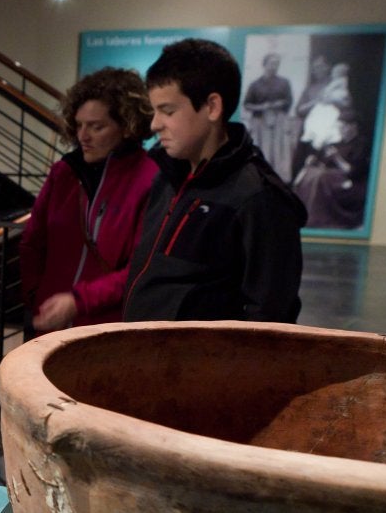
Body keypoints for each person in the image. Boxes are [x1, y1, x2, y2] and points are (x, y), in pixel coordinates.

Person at [124, 38, 306, 323]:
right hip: (144, 356)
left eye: (168, 111)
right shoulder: (167, 177)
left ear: (212, 107)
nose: (155, 124)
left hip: (196, 365)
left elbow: (270, 316)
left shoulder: (259, 196)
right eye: (155, 110)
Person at [21, 67, 157, 335]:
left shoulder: (149, 179)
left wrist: (79, 301)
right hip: (50, 325)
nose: (83, 136)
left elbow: (139, 270)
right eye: (80, 124)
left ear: (127, 127)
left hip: (105, 330)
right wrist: (36, 296)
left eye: (97, 126)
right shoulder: (64, 173)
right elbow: (33, 242)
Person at [242, 52, 295, 180]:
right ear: (264, 65)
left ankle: (280, 179)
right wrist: (262, 107)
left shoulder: (284, 82)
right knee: (263, 149)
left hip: (279, 120)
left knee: (280, 150)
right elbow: (247, 104)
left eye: (276, 64)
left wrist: (279, 104)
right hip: (260, 121)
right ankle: (261, 177)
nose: (274, 66)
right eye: (271, 63)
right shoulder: (255, 84)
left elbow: (289, 101)